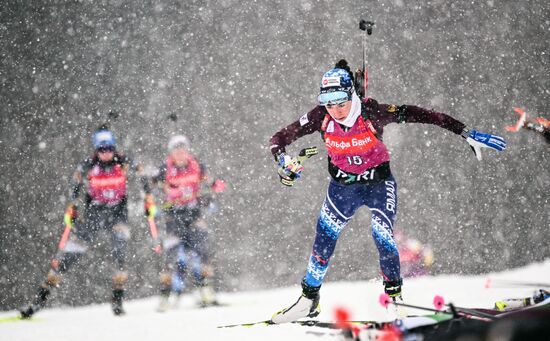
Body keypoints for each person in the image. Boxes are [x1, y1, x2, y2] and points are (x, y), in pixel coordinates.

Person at [268, 59, 506, 324]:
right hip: (342, 189)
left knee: (382, 234)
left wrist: (465, 132)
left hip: (378, 186)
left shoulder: (371, 112)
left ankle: (396, 301)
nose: (334, 109)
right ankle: (308, 301)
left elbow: (424, 115)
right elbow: (278, 139)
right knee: (324, 239)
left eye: (340, 101)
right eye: (328, 102)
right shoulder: (319, 116)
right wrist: (283, 160)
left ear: (351, 95)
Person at [20, 125, 151, 317]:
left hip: (117, 214)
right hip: (94, 214)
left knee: (120, 255)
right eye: (101, 149)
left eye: (109, 149)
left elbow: (143, 173)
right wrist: (72, 206)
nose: (105, 153)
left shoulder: (123, 161)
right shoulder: (88, 164)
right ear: (96, 149)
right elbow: (75, 184)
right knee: (69, 256)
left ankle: (117, 299)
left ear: (113, 147)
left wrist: (148, 197)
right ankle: (39, 299)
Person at [149, 135, 224, 311]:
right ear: (171, 153)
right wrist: (154, 201)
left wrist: (210, 197)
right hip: (172, 218)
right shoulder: (164, 168)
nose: (181, 154)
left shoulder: (197, 165)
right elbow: (149, 186)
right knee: (172, 258)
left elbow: (216, 184)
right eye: (177, 151)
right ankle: (166, 296)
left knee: (203, 252)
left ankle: (206, 291)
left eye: (183, 150)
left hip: (194, 216)